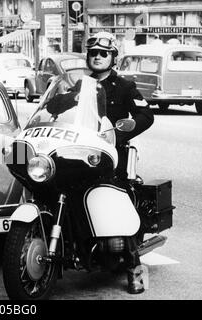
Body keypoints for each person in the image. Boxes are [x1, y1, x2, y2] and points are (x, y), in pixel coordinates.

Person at [46, 31, 154, 294]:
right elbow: (53, 109)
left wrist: (121, 131)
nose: (97, 57)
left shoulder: (125, 86)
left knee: (116, 201)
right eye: (93, 53)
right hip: (80, 150)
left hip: (110, 154)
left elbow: (145, 115)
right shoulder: (81, 85)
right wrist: (63, 95)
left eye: (103, 53)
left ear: (112, 57)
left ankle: (133, 266)